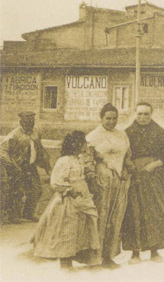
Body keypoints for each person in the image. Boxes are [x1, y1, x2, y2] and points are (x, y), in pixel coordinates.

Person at [122, 102, 164, 264]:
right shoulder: (126, 133)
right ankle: (135, 253)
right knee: (133, 213)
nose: (142, 117)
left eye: (146, 114)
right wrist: (129, 164)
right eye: (139, 114)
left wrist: (154, 165)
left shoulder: (160, 133)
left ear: (151, 114)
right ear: (135, 114)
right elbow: (122, 154)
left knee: (154, 212)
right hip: (134, 177)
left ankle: (154, 251)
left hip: (154, 178)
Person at [32, 131, 100, 269]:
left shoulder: (78, 159)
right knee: (67, 230)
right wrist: (70, 190)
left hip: (82, 198)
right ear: (75, 144)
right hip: (67, 200)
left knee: (79, 230)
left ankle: (75, 258)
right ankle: (65, 263)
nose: (85, 146)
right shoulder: (64, 161)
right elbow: (55, 182)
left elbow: (82, 172)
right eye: (82, 143)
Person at [86, 103, 133, 268]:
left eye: (114, 118)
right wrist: (92, 179)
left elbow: (127, 155)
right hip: (102, 181)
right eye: (108, 118)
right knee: (101, 217)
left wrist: (127, 168)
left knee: (116, 218)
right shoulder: (93, 136)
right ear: (101, 118)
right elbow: (88, 160)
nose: (111, 122)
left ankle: (108, 256)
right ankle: (94, 257)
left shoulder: (122, 134)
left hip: (120, 181)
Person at [0, 111, 50, 223]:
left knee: (36, 189)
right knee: (16, 191)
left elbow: (40, 148)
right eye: (27, 121)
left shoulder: (36, 132)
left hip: (30, 166)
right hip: (17, 166)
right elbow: (2, 151)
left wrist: (47, 166)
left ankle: (28, 213)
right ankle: (12, 216)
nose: (30, 124)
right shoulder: (14, 135)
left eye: (32, 121)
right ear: (21, 122)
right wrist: (12, 166)